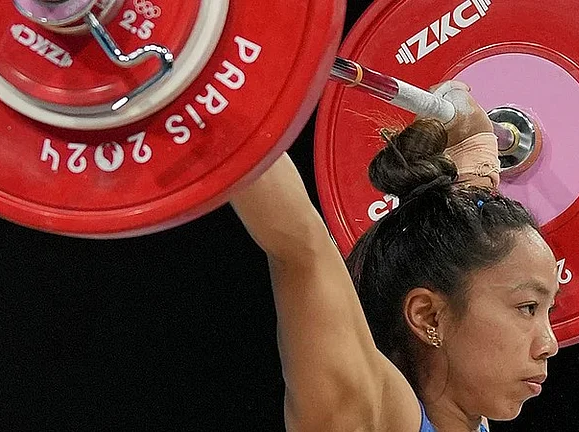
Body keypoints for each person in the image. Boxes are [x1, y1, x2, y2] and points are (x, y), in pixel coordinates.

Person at [230, 81, 560, 432]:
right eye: (528, 308)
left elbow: (464, 244)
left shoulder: (467, 414)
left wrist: (474, 152)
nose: (549, 344)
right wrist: (220, 91)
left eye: (547, 311)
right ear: (428, 316)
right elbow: (301, 247)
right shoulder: (364, 416)